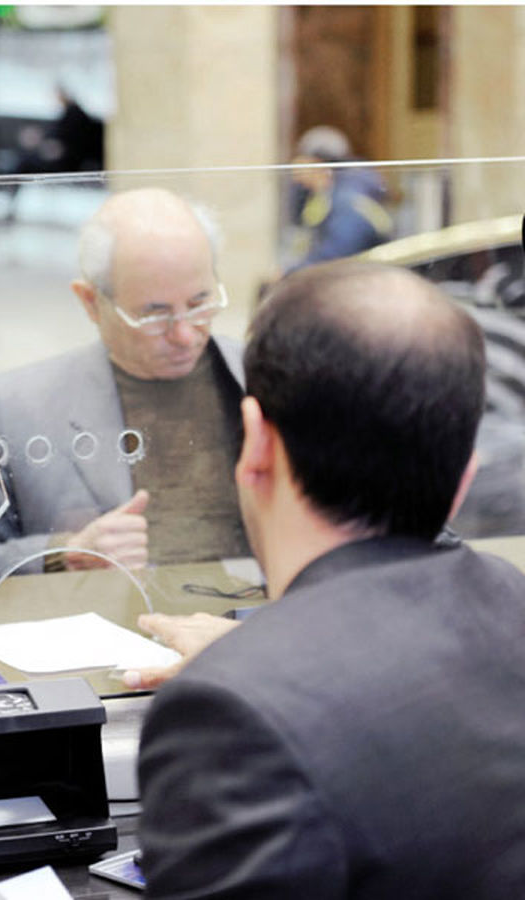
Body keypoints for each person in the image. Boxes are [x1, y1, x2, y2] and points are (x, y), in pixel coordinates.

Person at [135, 260, 525, 897]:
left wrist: (255, 670)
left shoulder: (228, 712)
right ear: (464, 478)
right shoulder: (512, 600)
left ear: (257, 442)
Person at [0, 188, 248, 574]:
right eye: (154, 314)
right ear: (90, 303)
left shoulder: (265, 381)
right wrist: (63, 551)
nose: (185, 334)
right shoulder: (19, 407)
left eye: (200, 303)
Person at [286, 125, 393, 272]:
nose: (295, 168)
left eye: (300, 158)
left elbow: (336, 254)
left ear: (317, 163)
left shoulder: (347, 200)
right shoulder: (323, 197)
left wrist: (289, 273)